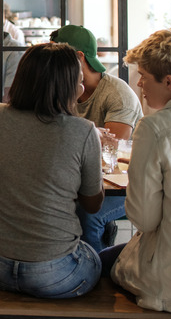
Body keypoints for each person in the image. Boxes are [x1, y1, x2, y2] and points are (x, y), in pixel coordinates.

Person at [0, 42, 104, 299]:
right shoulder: (83, 130)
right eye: (78, 81)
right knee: (99, 257)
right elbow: (93, 205)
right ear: (65, 86)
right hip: (55, 273)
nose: (82, 87)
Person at [100, 29, 171, 318]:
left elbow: (143, 218)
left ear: (169, 82)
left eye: (144, 76)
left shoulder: (155, 127)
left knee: (92, 265)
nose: (138, 84)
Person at [52, 24, 143, 252]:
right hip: (84, 179)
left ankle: (96, 277)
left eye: (57, 55)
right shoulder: (61, 88)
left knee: (89, 214)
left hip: (125, 186)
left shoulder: (117, 94)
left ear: (79, 57)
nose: (51, 62)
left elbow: (112, 151)